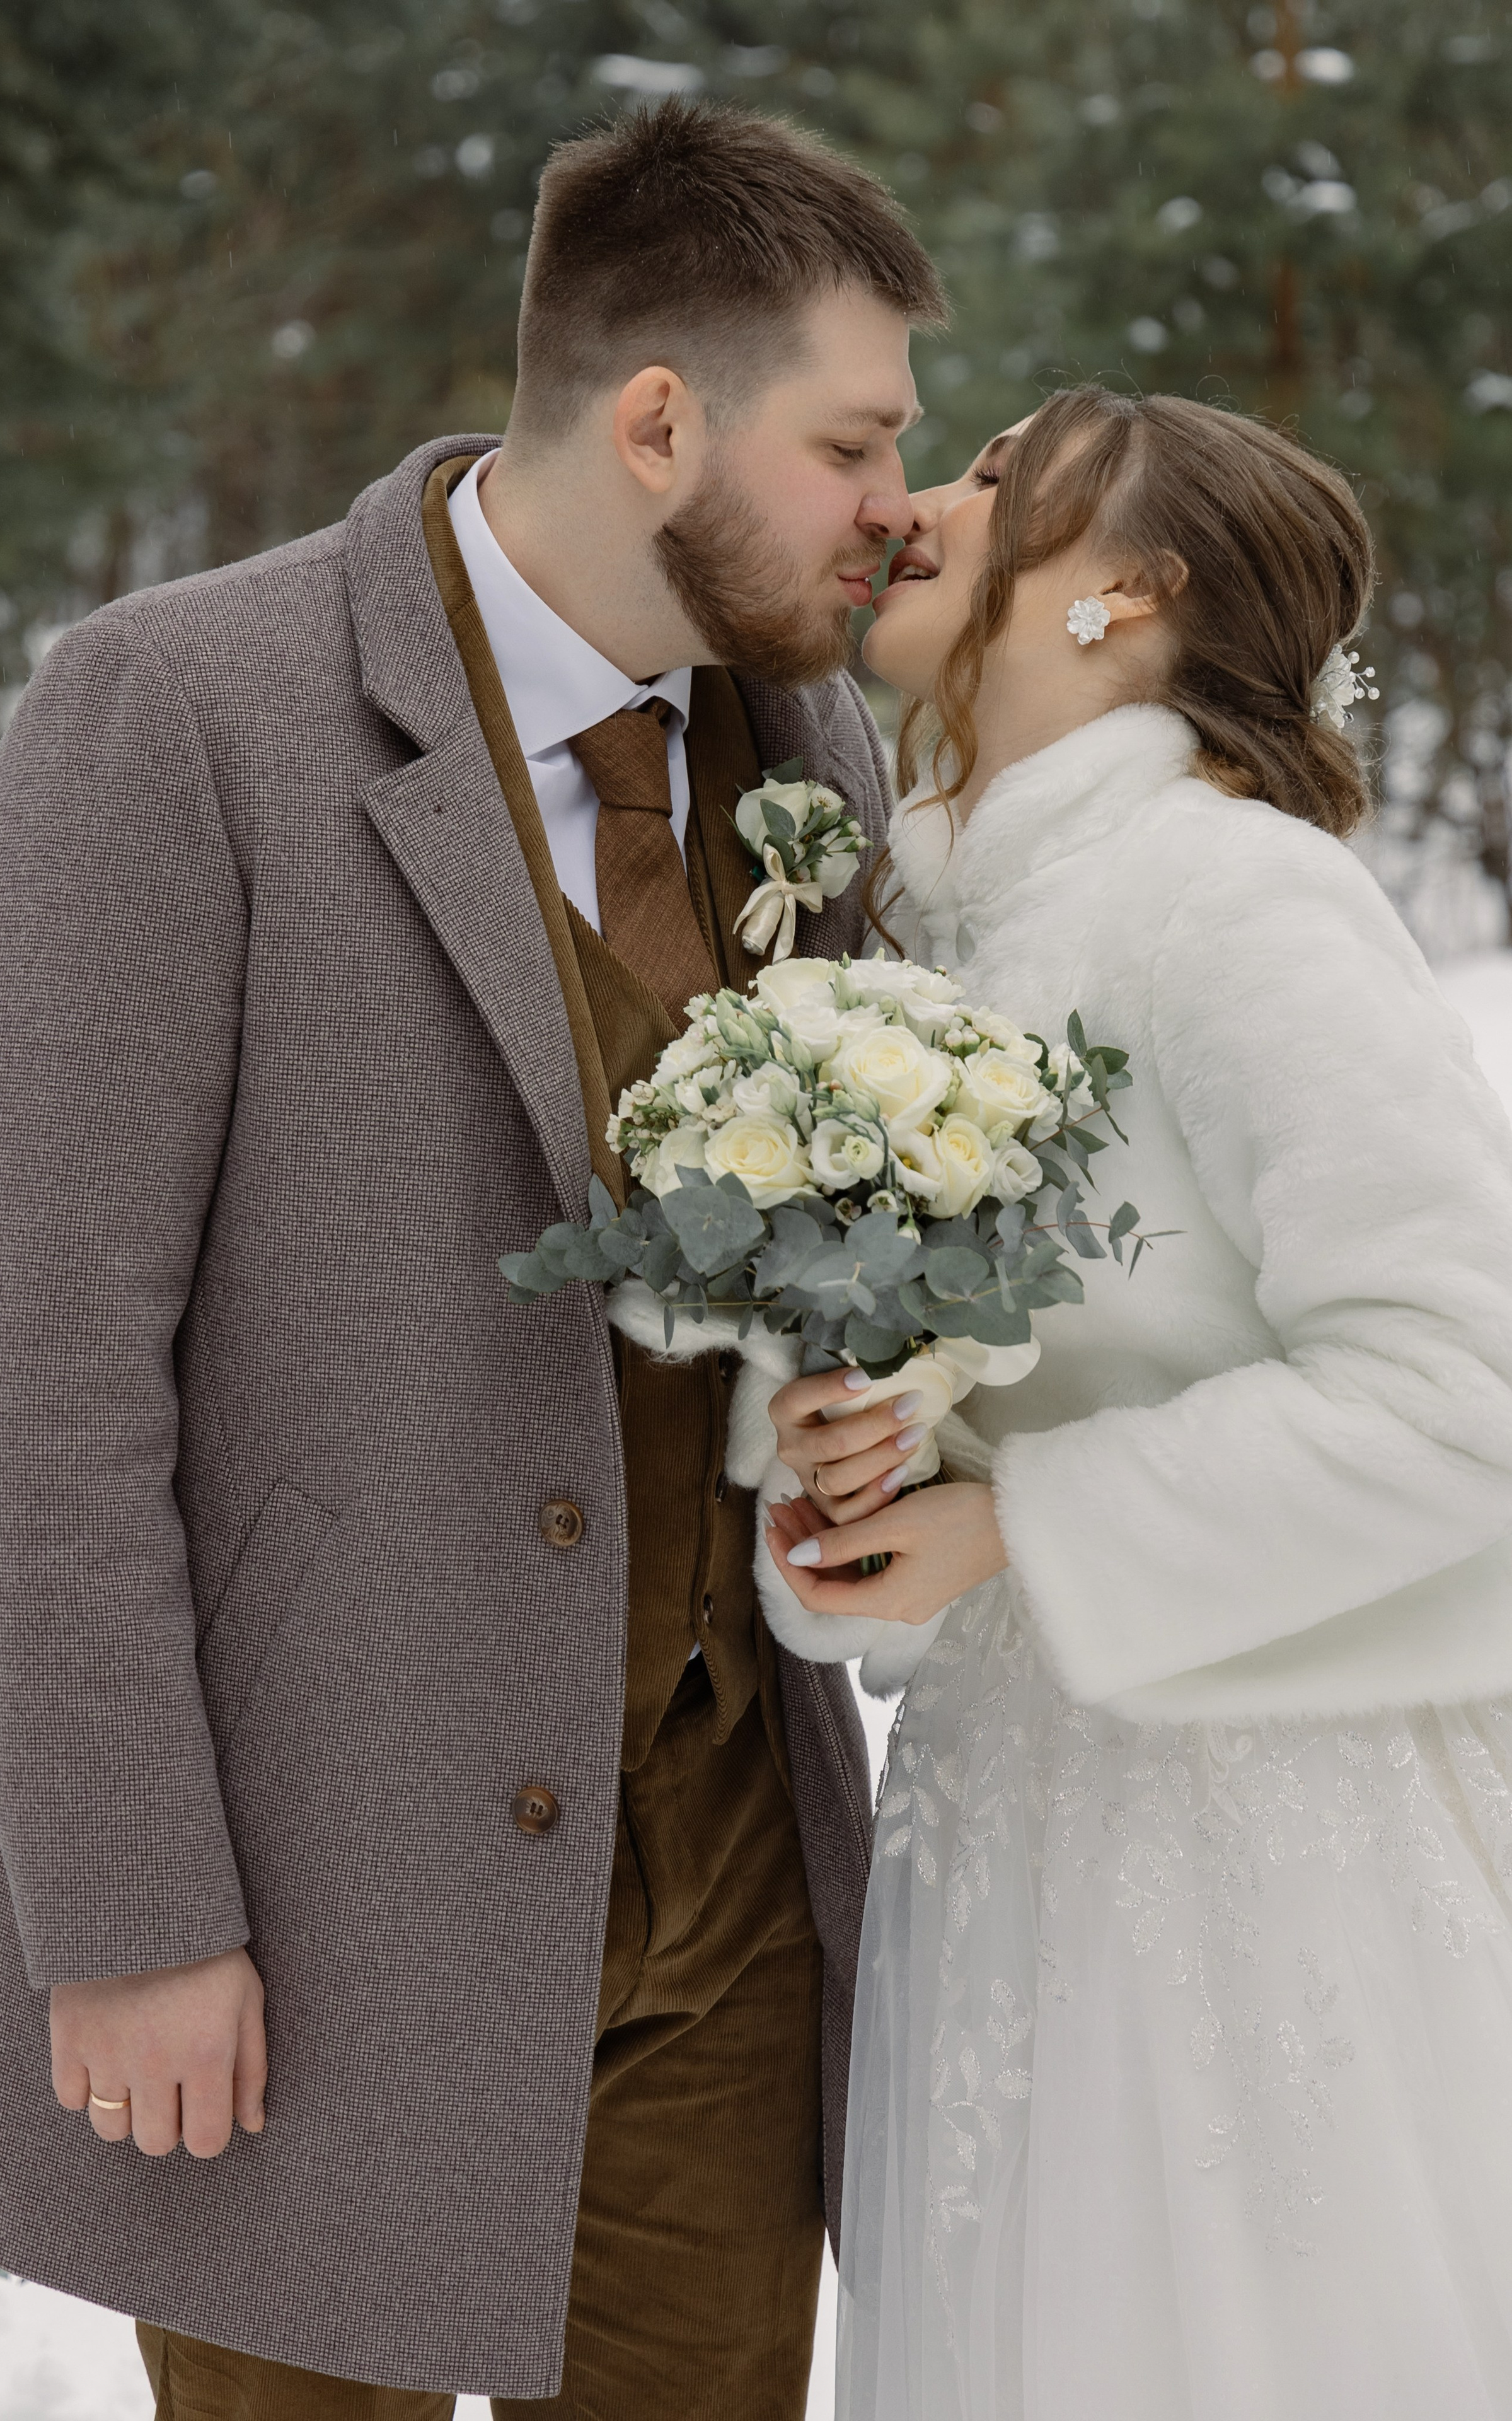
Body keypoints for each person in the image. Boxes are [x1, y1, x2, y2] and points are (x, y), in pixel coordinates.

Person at [0, 103, 945, 2417]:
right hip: (311, 1908)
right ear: (659, 420)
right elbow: (38, 1378)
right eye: (854, 442)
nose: (897, 502)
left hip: (727, 1892)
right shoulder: (181, 709)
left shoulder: (813, 749)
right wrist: (135, 1915)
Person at [765, 387, 1512, 2418]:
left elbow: (1462, 1386)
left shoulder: (1240, 899)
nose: (929, 500)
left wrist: (1026, 1522)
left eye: (1002, 475)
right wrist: (856, 1469)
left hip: (1265, 1857)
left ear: (1127, 591)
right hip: (1011, 1836)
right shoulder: (928, 933)